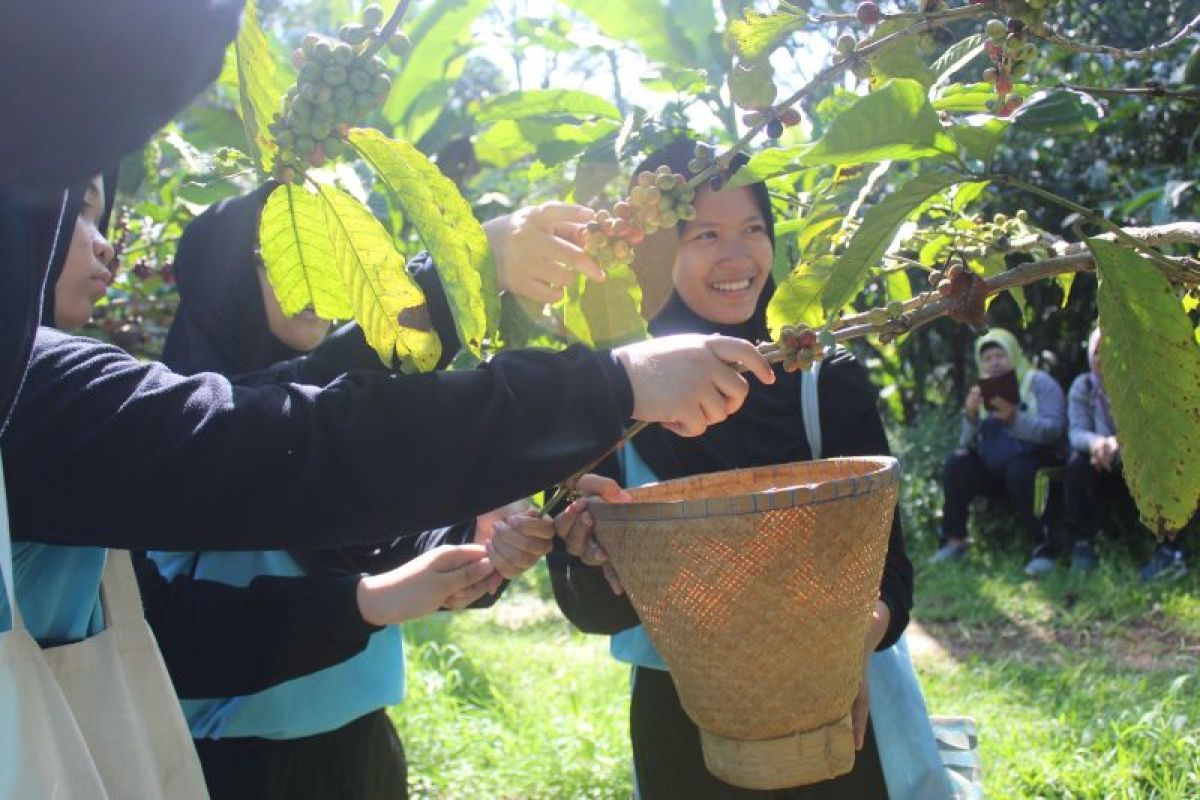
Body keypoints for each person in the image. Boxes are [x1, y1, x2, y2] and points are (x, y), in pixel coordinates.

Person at [142, 184, 607, 800]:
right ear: (222, 276)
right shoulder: (177, 419)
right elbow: (182, 631)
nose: (311, 278)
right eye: (279, 255)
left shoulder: (340, 417)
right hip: (228, 771)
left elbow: (382, 530)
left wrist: (477, 537)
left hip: (363, 750)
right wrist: (460, 271)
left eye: (327, 255)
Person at [542, 139, 916, 799]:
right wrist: (595, 555)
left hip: (831, 713)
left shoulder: (822, 377)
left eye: (752, 230)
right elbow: (592, 612)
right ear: (654, 252)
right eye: (705, 235)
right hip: (685, 724)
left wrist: (856, 641)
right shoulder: (605, 395)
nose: (737, 257)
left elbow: (892, 570)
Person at [930, 329, 1066, 575]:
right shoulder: (981, 392)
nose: (994, 363)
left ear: (1013, 354)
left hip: (1036, 466)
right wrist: (970, 416)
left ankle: (1045, 548)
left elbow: (1055, 430)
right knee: (957, 462)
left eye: (999, 355)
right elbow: (966, 444)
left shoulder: (1038, 382)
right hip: (996, 468)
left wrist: (1015, 419)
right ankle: (954, 542)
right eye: (988, 358)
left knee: (1020, 470)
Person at [1064, 328, 1189, 580]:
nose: (1104, 358)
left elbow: (1163, 431)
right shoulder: (1084, 386)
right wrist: (1098, 444)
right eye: (1098, 352)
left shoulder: (1149, 384)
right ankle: (1085, 543)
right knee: (1076, 465)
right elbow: (1076, 431)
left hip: (1147, 467)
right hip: (1106, 466)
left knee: (1176, 467)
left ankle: (1170, 553)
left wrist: (1120, 442)